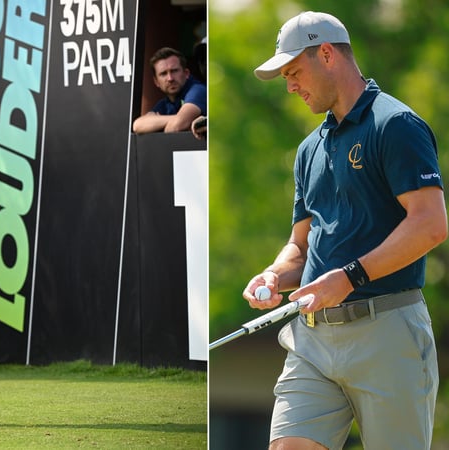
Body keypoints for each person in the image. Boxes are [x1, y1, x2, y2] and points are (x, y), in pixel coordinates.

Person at [244, 11, 446, 450]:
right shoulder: (308, 149)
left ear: (328, 53)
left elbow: (430, 225)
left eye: (294, 71)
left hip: (388, 331)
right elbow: (300, 245)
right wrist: (275, 275)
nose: (291, 85)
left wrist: (350, 277)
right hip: (312, 339)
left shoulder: (396, 126)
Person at [132, 47, 206, 134]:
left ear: (186, 73)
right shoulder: (165, 103)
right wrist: (179, 118)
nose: (170, 78)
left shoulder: (198, 90)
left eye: (174, 71)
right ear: (156, 82)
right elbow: (137, 125)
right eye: (163, 74)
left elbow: (176, 126)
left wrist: (160, 123)